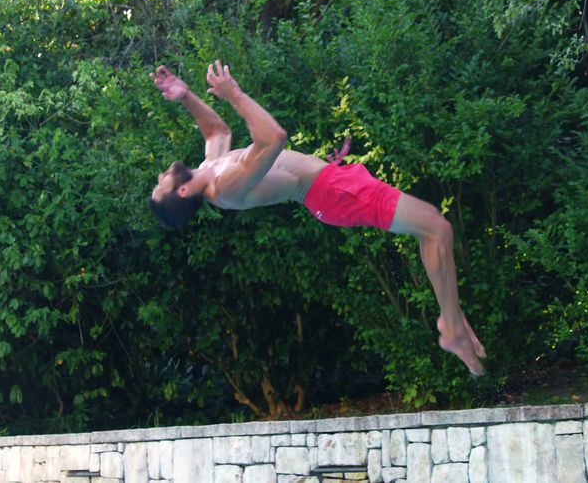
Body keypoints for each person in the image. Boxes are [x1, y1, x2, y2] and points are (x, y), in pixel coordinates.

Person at [148, 62, 487, 375]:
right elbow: (273, 139)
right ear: (180, 193)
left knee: (435, 229)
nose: (161, 175)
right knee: (436, 230)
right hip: (333, 193)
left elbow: (217, 132)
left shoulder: (209, 168)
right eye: (160, 185)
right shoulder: (225, 189)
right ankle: (453, 328)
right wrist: (234, 94)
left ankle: (454, 319)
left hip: (334, 185)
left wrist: (186, 96)